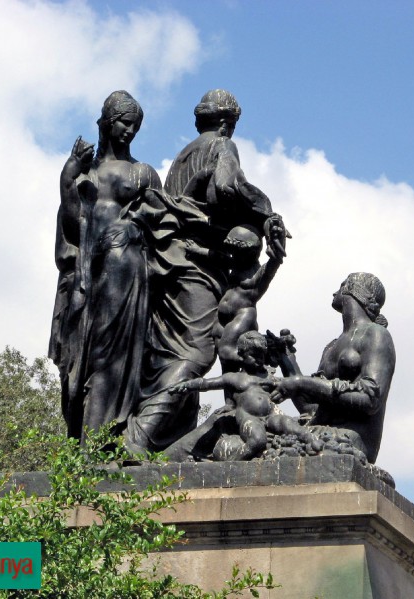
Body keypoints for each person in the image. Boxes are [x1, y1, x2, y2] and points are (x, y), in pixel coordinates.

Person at [126, 89, 289, 452]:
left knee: (169, 353)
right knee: (195, 354)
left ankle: (166, 444)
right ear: (226, 123)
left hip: (169, 261)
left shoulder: (181, 158)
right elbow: (227, 186)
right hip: (196, 264)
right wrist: (264, 213)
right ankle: (138, 437)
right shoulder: (222, 147)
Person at [49, 91, 165, 443]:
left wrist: (137, 225)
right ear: (107, 122)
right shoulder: (88, 174)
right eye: (124, 123)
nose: (129, 131)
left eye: (135, 126)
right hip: (88, 274)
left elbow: (165, 222)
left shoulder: (142, 173)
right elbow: (71, 227)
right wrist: (67, 179)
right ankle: (87, 437)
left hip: (127, 269)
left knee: (111, 355)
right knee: (82, 359)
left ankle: (105, 437)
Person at [270, 273, 396, 464]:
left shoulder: (377, 335)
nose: (334, 293)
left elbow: (371, 399)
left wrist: (301, 383)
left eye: (341, 286)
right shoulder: (331, 347)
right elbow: (311, 408)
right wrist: (286, 358)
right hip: (318, 430)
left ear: (353, 290)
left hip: (352, 439)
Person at [165, 331, 321, 462]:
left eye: (261, 356)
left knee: (289, 424)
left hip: (271, 414)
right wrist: (186, 385)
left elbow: (288, 385)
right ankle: (232, 465)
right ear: (241, 354)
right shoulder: (234, 378)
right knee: (258, 441)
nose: (259, 360)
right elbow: (207, 384)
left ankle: (312, 441)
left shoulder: (266, 375)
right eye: (254, 356)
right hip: (248, 417)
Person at [212, 225, 282, 374]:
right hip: (222, 319)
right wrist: (197, 251)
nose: (235, 256)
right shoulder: (238, 264)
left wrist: (277, 238)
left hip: (242, 316)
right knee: (226, 369)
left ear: (251, 253)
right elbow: (220, 258)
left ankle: (259, 367)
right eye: (234, 253)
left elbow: (275, 261)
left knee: (226, 353)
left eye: (239, 253)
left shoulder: (258, 273)